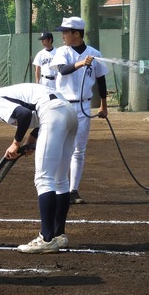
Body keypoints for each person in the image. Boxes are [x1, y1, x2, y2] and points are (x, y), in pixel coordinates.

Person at [0, 78, 78, 253]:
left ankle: (46, 238)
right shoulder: (5, 93)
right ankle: (58, 235)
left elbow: (24, 114)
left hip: (52, 113)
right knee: (60, 180)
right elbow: (39, 108)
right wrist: (33, 137)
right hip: (68, 112)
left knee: (44, 179)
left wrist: (16, 143)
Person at [49, 16, 108, 204]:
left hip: (84, 105)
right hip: (63, 105)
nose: (62, 35)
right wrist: (81, 63)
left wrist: (103, 105)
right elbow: (63, 70)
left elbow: (101, 80)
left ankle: (73, 190)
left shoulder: (94, 53)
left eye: (65, 32)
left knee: (78, 150)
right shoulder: (62, 52)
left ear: (77, 34)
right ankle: (58, 187)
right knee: (59, 147)